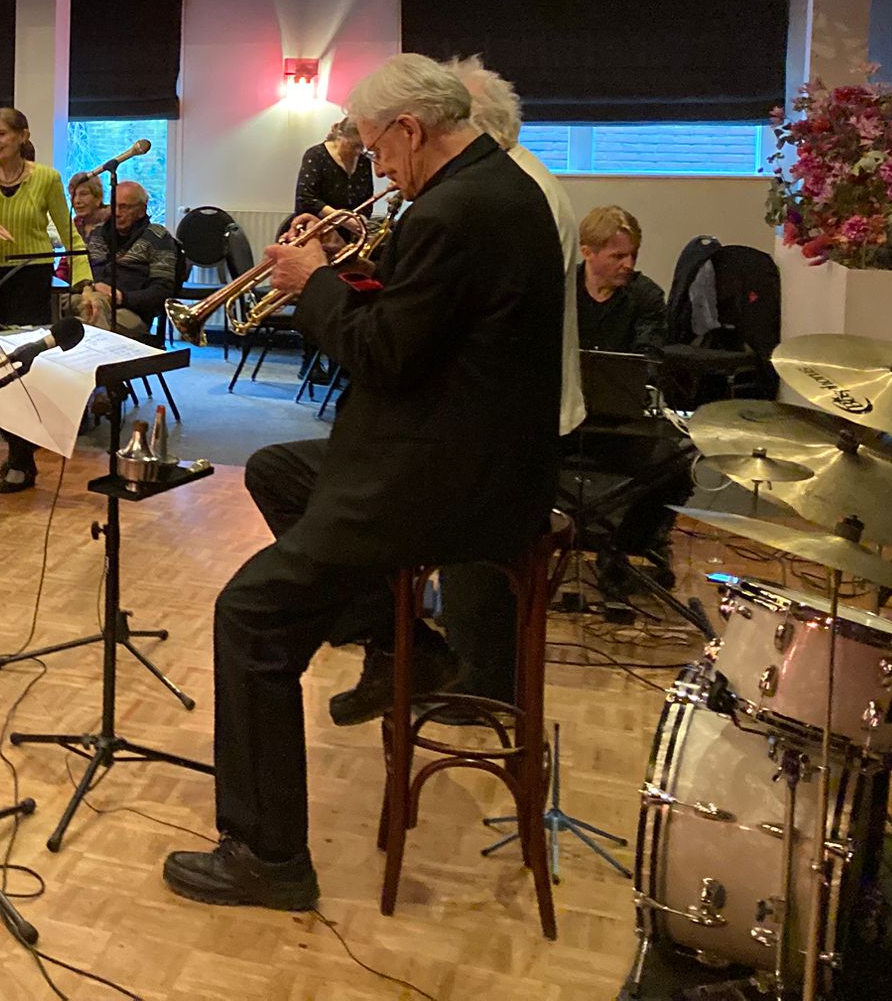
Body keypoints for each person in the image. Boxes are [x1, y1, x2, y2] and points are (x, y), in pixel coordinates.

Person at [163, 54, 563, 911]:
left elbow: (382, 354)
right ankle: (398, 640)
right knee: (277, 470)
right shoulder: (491, 189)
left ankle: (268, 856)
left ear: (412, 130)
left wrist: (313, 284)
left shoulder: (456, 209)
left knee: (251, 616)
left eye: (377, 148)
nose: (376, 167)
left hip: (444, 478)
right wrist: (341, 269)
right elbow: (420, 318)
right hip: (471, 457)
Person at [443, 56, 583, 704]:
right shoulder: (519, 181)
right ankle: (469, 668)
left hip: (505, 417)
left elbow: (472, 314)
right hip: (512, 408)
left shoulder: (510, 195)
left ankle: (480, 688)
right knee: (472, 560)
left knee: (478, 558)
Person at [0, 107, 89, 494]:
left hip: (30, 280)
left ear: (22, 136)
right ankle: (17, 448)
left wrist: (85, 284)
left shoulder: (47, 178)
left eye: (2, 134)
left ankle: (21, 459)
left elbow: (70, 236)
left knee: (24, 368)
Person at [77, 180, 180, 336]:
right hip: (88, 298)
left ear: (141, 210)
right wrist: (88, 288)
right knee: (57, 301)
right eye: (114, 206)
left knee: (89, 314)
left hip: (131, 311)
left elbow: (163, 292)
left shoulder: (158, 237)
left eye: (124, 207)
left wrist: (120, 297)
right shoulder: (99, 233)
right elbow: (84, 273)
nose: (117, 213)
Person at [577, 205, 667, 352]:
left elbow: (648, 358)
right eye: (618, 256)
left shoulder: (646, 296)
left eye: (633, 255)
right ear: (587, 253)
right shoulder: (562, 289)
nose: (629, 265)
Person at [292, 118, 374, 220]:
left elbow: (367, 201)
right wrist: (346, 221)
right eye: (354, 145)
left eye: (362, 146)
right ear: (340, 136)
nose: (358, 151)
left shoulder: (364, 161)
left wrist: (360, 221)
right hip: (316, 224)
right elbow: (306, 199)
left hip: (353, 226)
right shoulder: (315, 155)